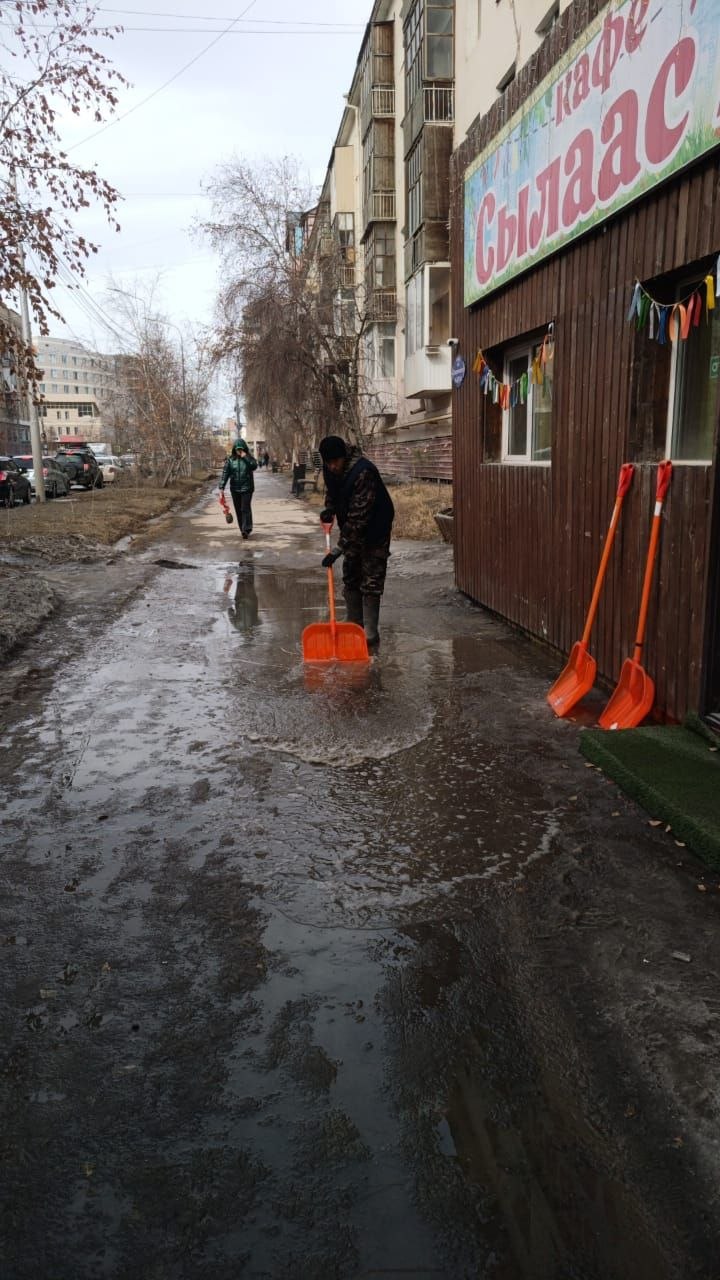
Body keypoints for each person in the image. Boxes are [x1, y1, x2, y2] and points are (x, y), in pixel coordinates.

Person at [318, 434, 394, 650]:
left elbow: (359, 519)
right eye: (328, 463)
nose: (332, 467)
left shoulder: (363, 472)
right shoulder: (330, 468)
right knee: (351, 573)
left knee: (371, 578)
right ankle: (354, 622)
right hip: (353, 526)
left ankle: (370, 631)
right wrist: (330, 509)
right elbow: (332, 490)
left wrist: (338, 548)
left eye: (336, 462)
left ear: (344, 456)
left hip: (375, 527)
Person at [219, 438, 258, 539]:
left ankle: (246, 528)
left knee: (245, 508)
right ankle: (243, 530)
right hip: (235, 489)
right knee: (238, 510)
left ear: (244, 449)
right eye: (237, 449)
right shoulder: (230, 460)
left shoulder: (249, 458)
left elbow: (254, 466)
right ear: (234, 449)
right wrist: (221, 487)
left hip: (247, 488)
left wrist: (245, 457)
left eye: (241, 449)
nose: (239, 451)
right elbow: (225, 474)